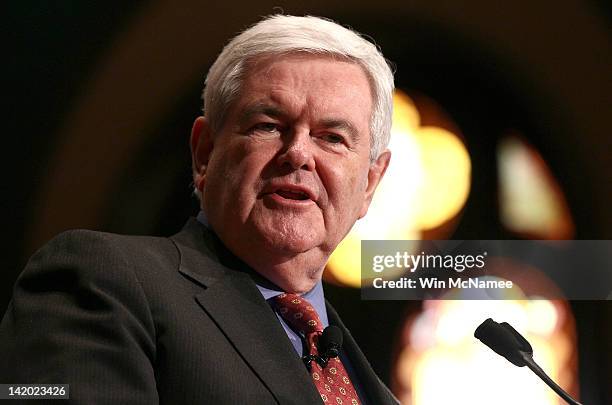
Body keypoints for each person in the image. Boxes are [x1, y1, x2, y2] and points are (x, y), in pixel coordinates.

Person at [0, 15, 397, 404]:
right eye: (268, 125)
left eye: (331, 137)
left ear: (369, 183)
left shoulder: (370, 386)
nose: (298, 154)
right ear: (205, 152)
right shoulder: (103, 280)